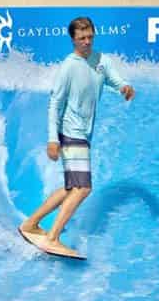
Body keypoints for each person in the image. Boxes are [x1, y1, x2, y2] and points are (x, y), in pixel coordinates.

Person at [18, 15, 135, 257]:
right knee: (83, 188)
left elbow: (114, 80)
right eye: (82, 38)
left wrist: (124, 87)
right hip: (71, 132)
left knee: (71, 187)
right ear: (73, 39)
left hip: (84, 133)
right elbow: (54, 104)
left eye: (90, 36)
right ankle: (52, 237)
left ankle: (30, 224)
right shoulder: (68, 67)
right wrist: (52, 139)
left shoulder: (101, 60)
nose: (87, 42)